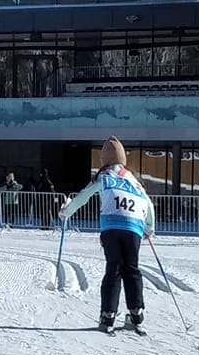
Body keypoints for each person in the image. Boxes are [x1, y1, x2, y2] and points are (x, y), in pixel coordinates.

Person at [59, 137, 154, 334]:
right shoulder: (134, 181)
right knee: (132, 268)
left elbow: (84, 196)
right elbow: (149, 204)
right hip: (134, 227)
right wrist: (149, 227)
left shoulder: (105, 177)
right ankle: (136, 313)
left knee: (114, 269)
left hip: (112, 226)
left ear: (105, 160)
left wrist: (67, 211)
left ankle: (108, 314)